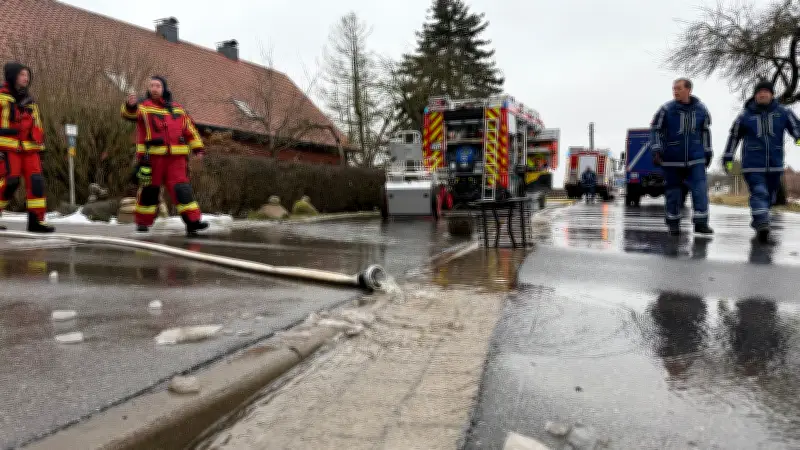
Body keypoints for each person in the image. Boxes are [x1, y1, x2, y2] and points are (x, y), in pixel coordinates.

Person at [121, 75, 208, 235]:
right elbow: (129, 114)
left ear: (164, 88)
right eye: (152, 86)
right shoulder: (143, 107)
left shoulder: (178, 109)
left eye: (158, 86)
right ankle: (143, 222)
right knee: (149, 190)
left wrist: (198, 149)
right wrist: (130, 105)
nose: (154, 88)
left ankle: (193, 222)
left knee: (182, 190)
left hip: (176, 159)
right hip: (151, 159)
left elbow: (190, 130)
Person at [722, 80, 800, 243]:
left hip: (775, 164)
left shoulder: (783, 112)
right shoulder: (745, 116)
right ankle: (763, 223)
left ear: (772, 95)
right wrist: (728, 157)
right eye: (759, 92)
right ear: (755, 95)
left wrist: (798, 138)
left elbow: (796, 128)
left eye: (765, 92)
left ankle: (759, 220)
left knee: (770, 197)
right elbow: (734, 136)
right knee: (760, 192)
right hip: (752, 164)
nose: (762, 94)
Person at [649, 78, 714, 236]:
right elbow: (655, 129)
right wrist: (656, 149)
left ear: (688, 90)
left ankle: (701, 223)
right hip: (672, 158)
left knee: (699, 190)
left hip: (695, 158)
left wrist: (708, 151)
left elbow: (705, 132)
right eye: (673, 89)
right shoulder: (666, 109)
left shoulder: (701, 109)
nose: (675, 91)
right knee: (673, 193)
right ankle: (673, 223)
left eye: (678, 88)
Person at [0, 62, 54, 233]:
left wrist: (41, 144)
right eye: (22, 74)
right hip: (8, 148)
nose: (26, 78)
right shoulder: (1, 96)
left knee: (36, 183)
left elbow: (37, 124)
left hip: (30, 149)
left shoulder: (30, 101)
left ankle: (36, 221)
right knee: (10, 183)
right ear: (13, 76)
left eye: (27, 75)